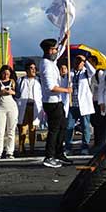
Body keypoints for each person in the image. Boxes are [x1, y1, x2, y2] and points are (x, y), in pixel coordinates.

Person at [39, 37, 73, 168]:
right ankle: (49, 156)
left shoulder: (52, 61)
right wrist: (66, 90)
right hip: (51, 102)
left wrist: (65, 38)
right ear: (49, 51)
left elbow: (61, 50)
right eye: (54, 49)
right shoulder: (46, 65)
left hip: (58, 101)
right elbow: (50, 87)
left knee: (62, 127)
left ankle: (59, 153)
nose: (56, 51)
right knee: (54, 130)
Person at [65, 54, 96, 155]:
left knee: (85, 127)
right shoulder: (70, 73)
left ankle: (85, 146)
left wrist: (85, 60)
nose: (78, 63)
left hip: (84, 105)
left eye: (80, 62)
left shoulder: (86, 73)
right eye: (76, 61)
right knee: (69, 127)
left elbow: (93, 71)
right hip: (72, 104)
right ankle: (68, 147)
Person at [0, 65, 19, 159]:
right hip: (0, 108)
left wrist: (12, 92)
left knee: (11, 131)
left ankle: (10, 151)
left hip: (12, 107)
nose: (6, 75)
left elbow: (18, 94)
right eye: (4, 73)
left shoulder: (13, 82)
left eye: (8, 73)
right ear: (1, 73)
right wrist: (0, 92)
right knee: (0, 131)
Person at [16, 60, 42, 156]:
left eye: (35, 68)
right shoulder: (21, 80)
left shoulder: (39, 80)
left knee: (32, 128)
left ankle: (32, 148)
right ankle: (21, 148)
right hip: (23, 106)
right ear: (27, 70)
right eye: (31, 68)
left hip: (34, 106)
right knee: (22, 128)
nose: (33, 70)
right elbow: (17, 93)